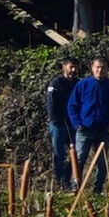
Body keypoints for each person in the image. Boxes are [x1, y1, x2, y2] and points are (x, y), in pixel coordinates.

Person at [63, 57, 109, 191]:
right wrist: (77, 123)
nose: (100, 70)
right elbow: (72, 105)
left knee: (102, 162)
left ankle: (98, 189)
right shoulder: (83, 85)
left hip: (104, 131)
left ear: (107, 69)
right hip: (84, 129)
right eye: (97, 67)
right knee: (79, 159)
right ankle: (76, 186)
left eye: (103, 67)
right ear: (92, 68)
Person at [42, 57, 79, 187]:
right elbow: (51, 103)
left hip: (73, 123)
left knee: (75, 152)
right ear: (64, 67)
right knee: (59, 154)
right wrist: (55, 119)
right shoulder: (56, 83)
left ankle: (70, 180)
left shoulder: (77, 83)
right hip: (58, 123)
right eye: (71, 67)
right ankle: (61, 182)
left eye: (75, 67)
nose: (73, 70)